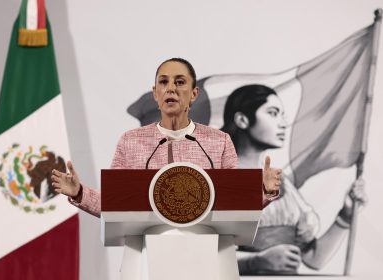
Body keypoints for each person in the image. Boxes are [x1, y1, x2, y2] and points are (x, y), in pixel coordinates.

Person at [51, 58, 282, 217]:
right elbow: (114, 203)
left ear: (193, 94)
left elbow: (236, 205)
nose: (170, 88)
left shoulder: (219, 141)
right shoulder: (131, 141)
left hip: (207, 256)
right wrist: (80, 193)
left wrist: (265, 192)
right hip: (149, 255)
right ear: (155, 93)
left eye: (179, 82)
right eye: (163, 82)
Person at [221, 84, 367, 274]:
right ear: (242, 120)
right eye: (273, 113)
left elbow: (314, 259)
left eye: (282, 115)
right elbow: (203, 259)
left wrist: (345, 216)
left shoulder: (279, 183)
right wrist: (255, 261)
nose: (282, 123)